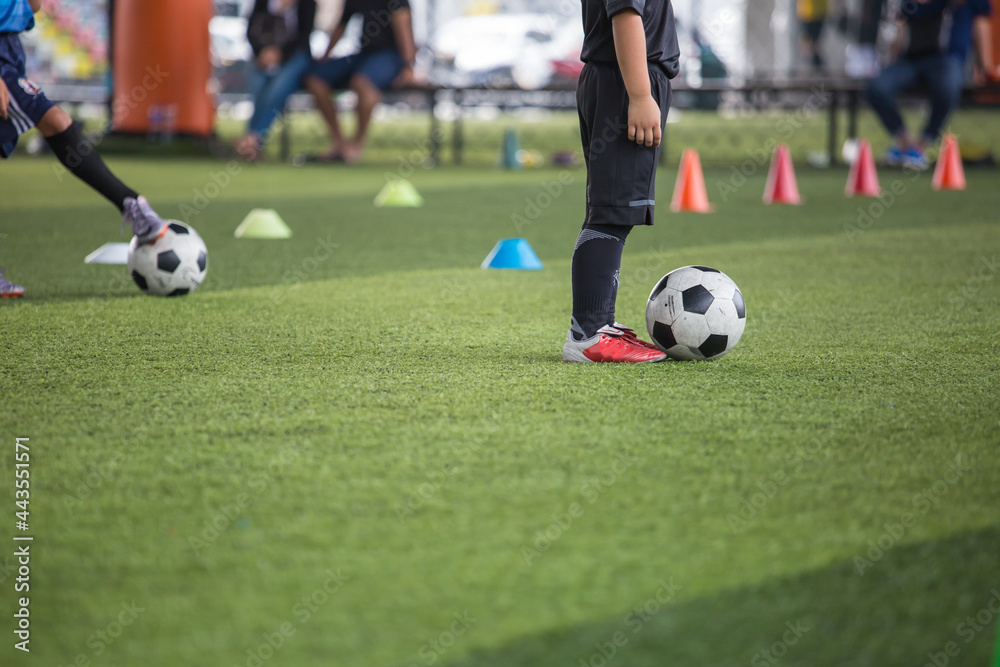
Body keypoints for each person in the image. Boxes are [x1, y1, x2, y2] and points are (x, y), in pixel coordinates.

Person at [0, 0, 166, 299]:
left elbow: (32, 8)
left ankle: (131, 203)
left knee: (55, 123)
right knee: (56, 121)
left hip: (10, 49)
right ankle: (130, 203)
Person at [562, 0, 679, 363]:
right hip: (625, 82)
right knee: (613, 213)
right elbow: (626, 15)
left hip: (621, 80)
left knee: (612, 209)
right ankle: (588, 334)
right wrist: (641, 95)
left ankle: (598, 325)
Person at [865, 0, 995, 169]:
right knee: (877, 87)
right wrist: (893, 61)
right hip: (912, 59)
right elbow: (901, 27)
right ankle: (904, 142)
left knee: (947, 86)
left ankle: (922, 144)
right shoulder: (911, 5)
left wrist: (985, 66)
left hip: (946, 59)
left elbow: (980, 23)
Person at [303, 0, 417, 163]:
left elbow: (403, 24)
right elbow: (341, 25)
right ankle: (339, 141)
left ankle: (356, 144)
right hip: (364, 54)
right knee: (315, 79)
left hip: (391, 56)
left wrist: (408, 66)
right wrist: (326, 55)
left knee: (362, 83)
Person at [235, 0, 317, 161]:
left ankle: (253, 138)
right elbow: (252, 29)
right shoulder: (264, 3)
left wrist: (280, 54)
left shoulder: (307, 4)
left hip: (294, 57)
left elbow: (304, 35)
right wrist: (262, 52)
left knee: (277, 88)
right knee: (258, 85)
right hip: (264, 56)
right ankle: (254, 139)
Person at [797, 0, 828, 71]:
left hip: (813, 13)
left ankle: (818, 70)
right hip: (808, 12)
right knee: (809, 46)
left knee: (810, 46)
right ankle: (818, 69)